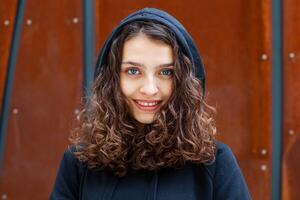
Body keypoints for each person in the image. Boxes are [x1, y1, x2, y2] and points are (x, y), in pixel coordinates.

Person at [50, 8, 251, 200]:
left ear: (184, 81)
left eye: (166, 72)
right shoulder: (79, 163)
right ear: (111, 79)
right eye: (133, 71)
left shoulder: (215, 164)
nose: (149, 89)